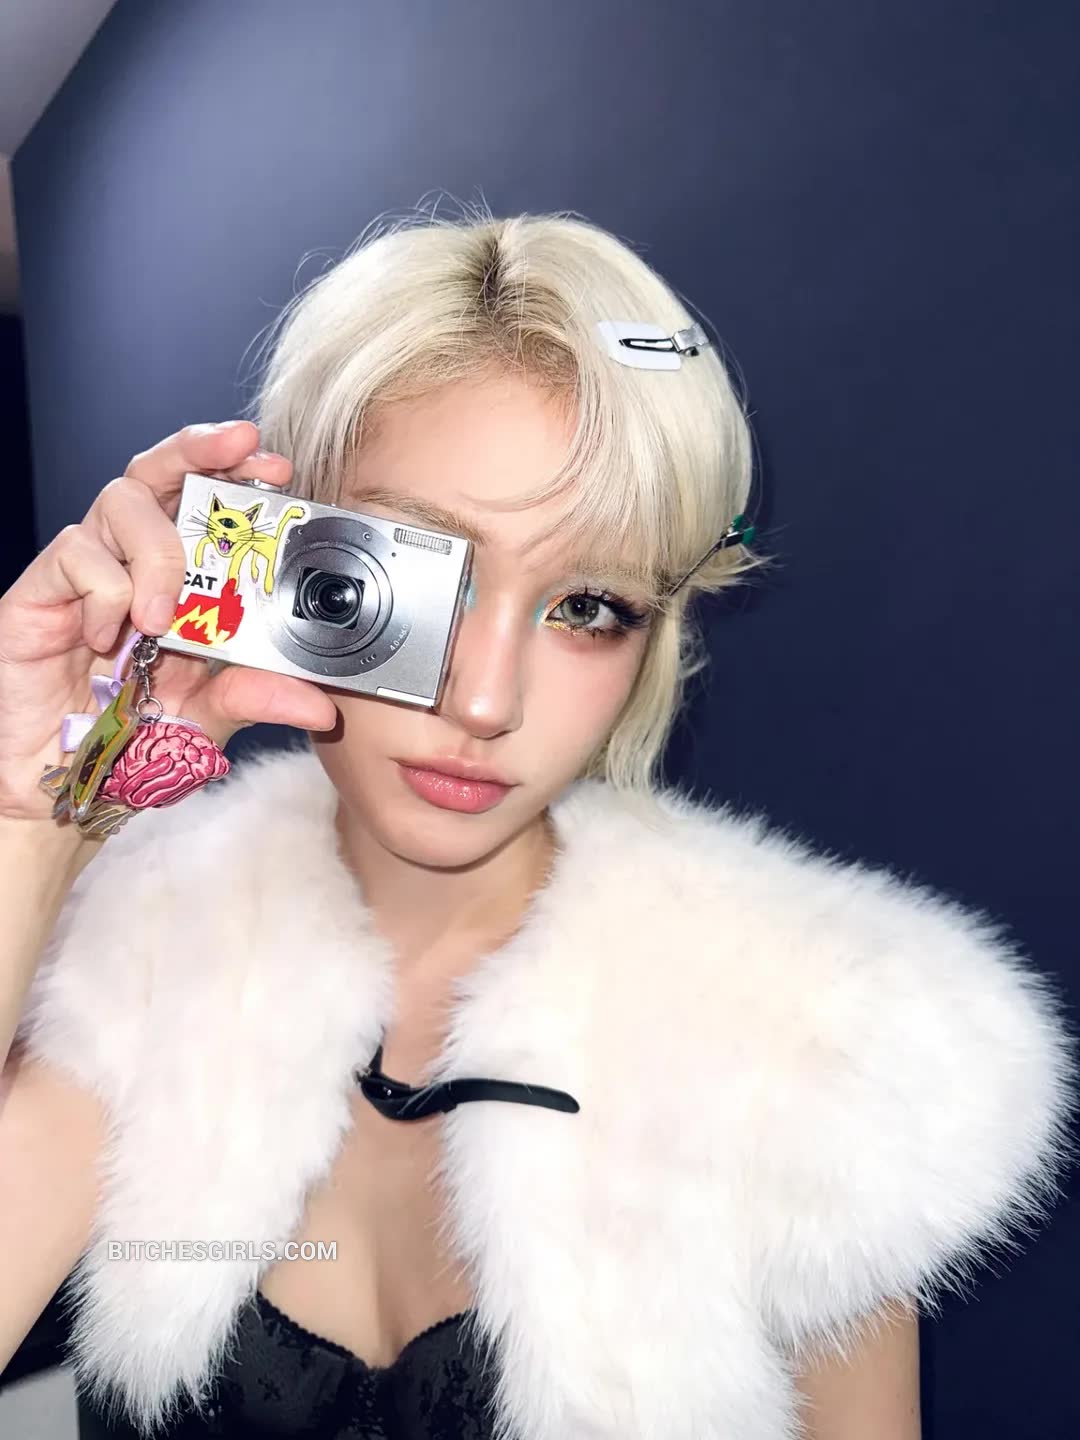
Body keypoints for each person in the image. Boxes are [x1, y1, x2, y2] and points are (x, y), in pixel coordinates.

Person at [0, 209, 1075, 1440]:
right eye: (421, 579)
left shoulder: (819, 1044)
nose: (487, 701)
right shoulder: (135, 957)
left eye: (588, 607)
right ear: (280, 559)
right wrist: (32, 809)